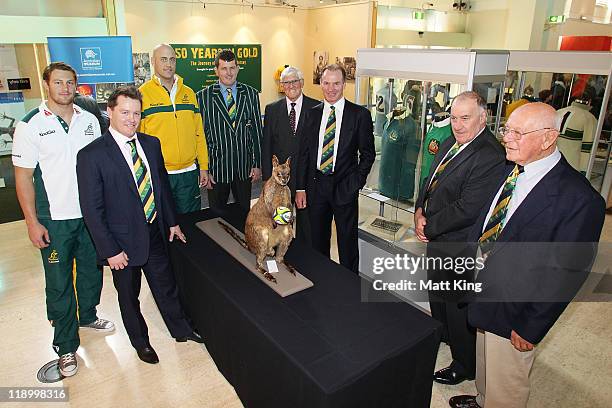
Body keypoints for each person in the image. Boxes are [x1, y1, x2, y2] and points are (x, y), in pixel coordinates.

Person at [449, 102, 605, 408]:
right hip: (483, 291)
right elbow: (485, 220)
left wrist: (532, 325)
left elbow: (566, 275)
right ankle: (483, 398)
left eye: (518, 133)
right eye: (507, 129)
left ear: (548, 138)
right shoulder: (509, 169)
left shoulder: (581, 201)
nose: (507, 138)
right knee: (486, 362)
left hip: (514, 309)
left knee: (507, 381)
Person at [76, 86, 203, 365]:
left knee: (166, 285)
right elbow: (92, 211)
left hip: (154, 232)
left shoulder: (151, 143)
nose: (131, 119)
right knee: (129, 297)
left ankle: (181, 329)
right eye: (124, 112)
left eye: (136, 113)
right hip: (121, 245)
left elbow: (162, 189)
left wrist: (171, 222)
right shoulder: (91, 155)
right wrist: (109, 250)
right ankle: (141, 343)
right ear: (109, 112)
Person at [12, 62, 114, 378]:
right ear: (47, 85)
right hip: (53, 220)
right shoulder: (29, 125)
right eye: (59, 83)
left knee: (90, 272)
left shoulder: (90, 121)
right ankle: (66, 345)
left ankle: (88, 315)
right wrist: (31, 222)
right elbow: (23, 178)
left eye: (70, 83)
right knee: (58, 284)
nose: (65, 88)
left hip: (90, 216)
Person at [414, 91, 506, 386]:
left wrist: (428, 227)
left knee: (456, 304)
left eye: (465, 118)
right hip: (437, 235)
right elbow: (430, 180)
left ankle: (464, 363)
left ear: (483, 118)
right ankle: (442, 334)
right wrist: (418, 209)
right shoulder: (448, 142)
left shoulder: (490, 154)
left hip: (459, 242)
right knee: (438, 295)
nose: (457, 124)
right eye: (453, 117)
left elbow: (468, 208)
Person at [296, 64, 375, 273]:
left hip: (345, 187)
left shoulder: (359, 115)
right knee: (318, 242)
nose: (331, 88)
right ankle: (323, 283)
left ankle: (348, 289)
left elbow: (368, 154)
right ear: (321, 83)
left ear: (344, 84)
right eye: (327, 83)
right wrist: (300, 188)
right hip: (316, 187)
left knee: (347, 245)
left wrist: (355, 183)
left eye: (336, 83)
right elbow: (303, 154)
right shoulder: (311, 115)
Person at [139, 43, 209, 214]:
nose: (168, 64)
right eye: (163, 59)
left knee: (191, 223)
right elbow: (139, 139)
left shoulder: (189, 93)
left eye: (172, 59)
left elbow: (199, 133)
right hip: (159, 173)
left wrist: (203, 166)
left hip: (188, 174)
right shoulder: (142, 94)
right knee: (162, 223)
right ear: (153, 61)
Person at [196, 49, 263, 212]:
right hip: (217, 170)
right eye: (224, 68)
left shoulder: (250, 94)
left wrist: (258, 164)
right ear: (216, 70)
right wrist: (204, 168)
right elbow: (200, 136)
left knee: (243, 215)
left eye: (232, 68)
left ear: (238, 68)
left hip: (244, 168)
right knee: (216, 218)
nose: (229, 72)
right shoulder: (203, 97)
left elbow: (257, 132)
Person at [262, 66, 318, 243]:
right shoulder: (272, 110)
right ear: (281, 86)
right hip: (280, 182)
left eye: (294, 81)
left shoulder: (317, 108)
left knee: (307, 226)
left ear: (301, 83)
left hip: (307, 180)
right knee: (280, 221)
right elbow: (267, 146)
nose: (291, 85)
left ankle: (306, 258)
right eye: (286, 82)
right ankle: (282, 254)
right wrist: (267, 180)